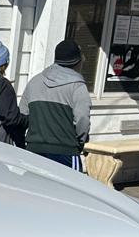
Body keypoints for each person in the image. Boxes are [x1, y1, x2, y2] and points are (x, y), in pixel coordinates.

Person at [21, 39, 91, 171]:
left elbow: (23, 116)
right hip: (66, 151)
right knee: (69, 190)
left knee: (32, 190)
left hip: (33, 150)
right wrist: (79, 143)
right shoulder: (77, 87)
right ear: (77, 61)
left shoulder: (34, 82)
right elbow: (83, 121)